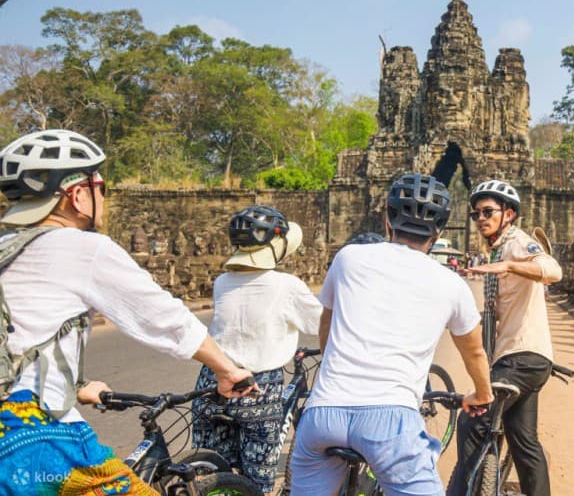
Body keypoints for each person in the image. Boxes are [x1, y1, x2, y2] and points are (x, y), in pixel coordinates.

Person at [0, 129, 256, 495]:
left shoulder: (5, 248)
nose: (104, 198)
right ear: (77, 195)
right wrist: (228, 370)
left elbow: (23, 330)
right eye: (101, 187)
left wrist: (75, 387)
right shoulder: (84, 248)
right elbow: (162, 316)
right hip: (33, 435)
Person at [289, 173, 493, 496]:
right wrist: (482, 394)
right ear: (439, 232)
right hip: (391, 422)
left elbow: (326, 325)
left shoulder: (348, 258)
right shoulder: (452, 284)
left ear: (388, 221)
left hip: (322, 414)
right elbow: (475, 353)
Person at [191, 205, 323, 493]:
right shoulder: (286, 285)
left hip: (212, 380)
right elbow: (321, 323)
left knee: (212, 476)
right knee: (255, 482)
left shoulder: (222, 282)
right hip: (258, 388)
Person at [450, 179, 562, 496]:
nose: (480, 218)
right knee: (524, 441)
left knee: (472, 421)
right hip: (526, 359)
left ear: (508, 214)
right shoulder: (499, 248)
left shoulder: (516, 244)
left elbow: (553, 270)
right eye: (476, 214)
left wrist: (510, 265)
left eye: (488, 212)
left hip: (520, 358)